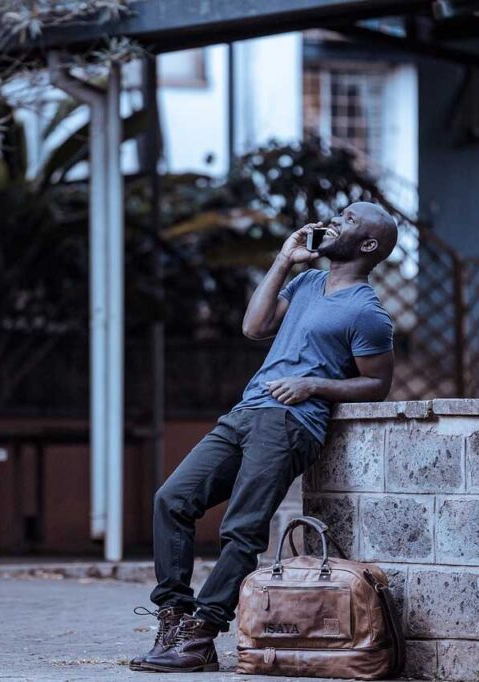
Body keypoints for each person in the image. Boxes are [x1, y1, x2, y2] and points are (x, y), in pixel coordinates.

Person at [130, 201, 399, 674]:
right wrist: (283, 260)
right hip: (245, 412)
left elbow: (377, 385)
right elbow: (254, 327)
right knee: (172, 499)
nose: (335, 221)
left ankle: (202, 633)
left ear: (368, 244)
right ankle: (173, 616)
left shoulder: (367, 311)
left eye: (349, 220)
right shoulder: (307, 282)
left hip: (292, 423)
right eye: (338, 215)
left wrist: (314, 385)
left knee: (242, 527)